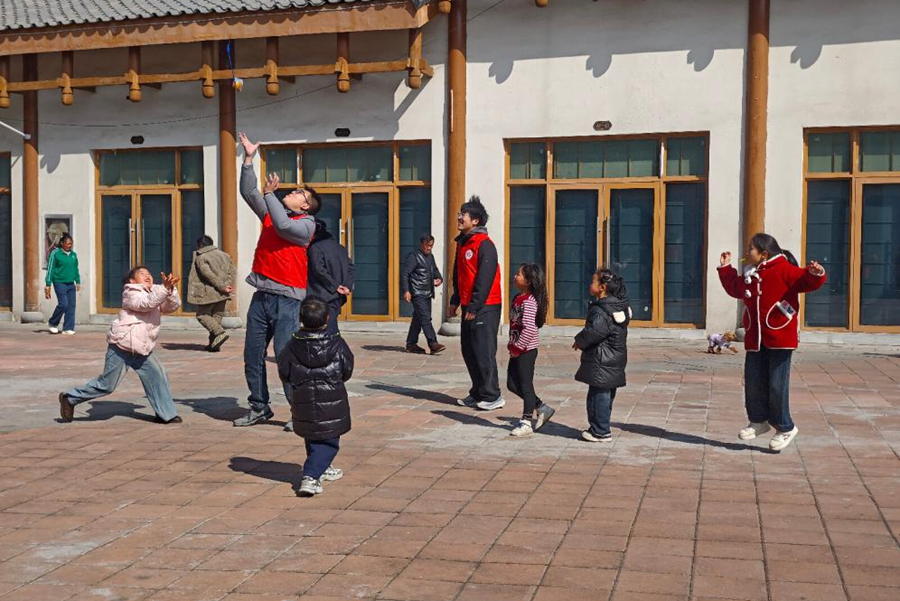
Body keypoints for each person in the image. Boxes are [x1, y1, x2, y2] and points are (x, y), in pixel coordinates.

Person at [235, 132, 321, 428]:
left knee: (285, 357)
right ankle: (259, 406)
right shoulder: (273, 213)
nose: (293, 192)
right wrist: (248, 160)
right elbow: (249, 193)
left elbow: (283, 226)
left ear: (306, 206)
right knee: (252, 355)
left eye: (299, 193)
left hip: (288, 300)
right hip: (262, 296)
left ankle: (300, 412)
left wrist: (270, 195)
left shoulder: (307, 225)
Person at [718, 232, 826, 452]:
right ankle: (758, 421)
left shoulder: (784, 269)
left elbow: (806, 280)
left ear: (764, 253)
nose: (747, 252)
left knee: (777, 385)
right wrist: (726, 268)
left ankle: (785, 427)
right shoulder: (751, 273)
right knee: (753, 382)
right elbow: (735, 288)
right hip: (755, 339)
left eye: (751, 248)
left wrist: (817, 273)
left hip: (779, 337)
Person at [58, 267, 182, 425]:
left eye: (149, 274)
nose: (147, 276)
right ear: (132, 280)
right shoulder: (130, 292)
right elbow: (146, 304)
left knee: (158, 376)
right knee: (107, 385)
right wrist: (164, 289)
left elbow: (171, 307)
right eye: (142, 274)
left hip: (142, 349)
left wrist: (170, 290)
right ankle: (70, 398)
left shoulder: (157, 291)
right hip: (121, 347)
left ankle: (165, 414)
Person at [277, 297, 354, 497]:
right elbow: (347, 368)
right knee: (328, 440)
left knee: (312, 435)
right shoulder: (337, 343)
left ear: (300, 318)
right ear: (327, 318)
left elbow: (284, 371)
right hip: (331, 399)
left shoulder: (292, 345)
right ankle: (311, 476)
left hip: (303, 398)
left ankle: (323, 467)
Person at [450, 196, 504, 411]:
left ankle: (493, 395)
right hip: (468, 305)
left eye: (464, 214)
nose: (459, 217)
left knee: (483, 350)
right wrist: (455, 300)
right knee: (469, 350)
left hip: (486, 306)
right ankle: (478, 392)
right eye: (460, 213)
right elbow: (458, 274)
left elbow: (485, 278)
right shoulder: (463, 243)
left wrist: (474, 306)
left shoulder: (485, 244)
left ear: (475, 221)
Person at [573, 268, 631, 443]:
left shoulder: (601, 309)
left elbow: (595, 331)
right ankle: (601, 427)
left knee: (597, 397)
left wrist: (579, 341)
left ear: (602, 287)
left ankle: (600, 431)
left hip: (601, 361)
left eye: (593, 281)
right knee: (605, 396)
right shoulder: (617, 307)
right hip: (614, 359)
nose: (590, 284)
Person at [507, 263, 554, 437]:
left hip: (526, 350)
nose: (515, 276)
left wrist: (518, 347)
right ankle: (541, 407)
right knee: (512, 384)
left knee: (526, 386)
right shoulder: (517, 298)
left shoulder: (529, 302)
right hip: (516, 348)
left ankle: (526, 422)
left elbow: (529, 329)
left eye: (519, 274)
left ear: (528, 281)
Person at [187, 235, 236, 352]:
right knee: (216, 316)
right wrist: (227, 286)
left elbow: (208, 274)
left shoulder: (201, 257)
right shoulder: (225, 255)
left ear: (200, 245)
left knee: (202, 315)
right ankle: (214, 345)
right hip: (223, 292)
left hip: (208, 292)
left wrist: (221, 286)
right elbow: (232, 272)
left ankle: (220, 332)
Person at [307, 219, 354, 336]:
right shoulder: (340, 248)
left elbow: (319, 270)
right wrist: (347, 286)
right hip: (337, 295)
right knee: (332, 327)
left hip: (320, 294)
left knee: (326, 330)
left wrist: (335, 286)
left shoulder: (315, 247)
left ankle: (333, 346)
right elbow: (351, 268)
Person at [401, 233, 445, 355]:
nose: (429, 248)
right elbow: (405, 274)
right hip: (417, 293)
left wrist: (439, 279)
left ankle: (411, 344)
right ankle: (433, 343)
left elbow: (435, 270)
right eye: (427, 245)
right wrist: (406, 290)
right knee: (425, 318)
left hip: (428, 292)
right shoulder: (413, 257)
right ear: (421, 244)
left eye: (431, 245)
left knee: (418, 318)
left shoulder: (430, 257)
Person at [44, 234, 81, 335]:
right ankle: (52, 323)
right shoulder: (55, 253)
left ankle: (68, 328)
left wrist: (78, 281)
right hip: (59, 282)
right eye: (67, 243)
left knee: (71, 306)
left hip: (70, 283)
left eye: (71, 243)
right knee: (63, 304)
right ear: (62, 243)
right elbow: (50, 269)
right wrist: (48, 284)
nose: (69, 245)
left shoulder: (73, 255)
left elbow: (75, 268)